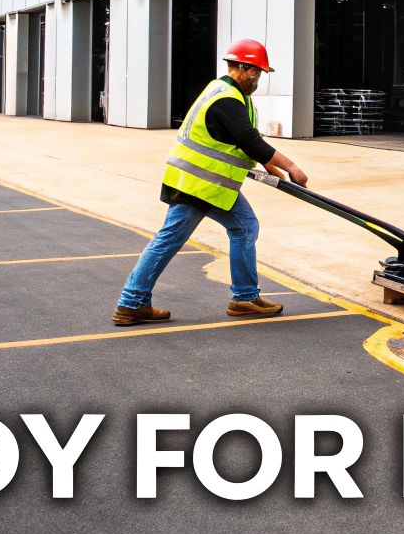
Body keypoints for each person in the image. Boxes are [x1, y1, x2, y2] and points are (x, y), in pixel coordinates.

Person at [112, 39, 308, 325]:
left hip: (211, 185)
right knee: (170, 238)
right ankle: (132, 302)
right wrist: (291, 166)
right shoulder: (226, 97)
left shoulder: (232, 96)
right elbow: (248, 139)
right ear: (244, 68)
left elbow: (246, 140)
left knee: (244, 227)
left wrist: (271, 168)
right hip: (198, 184)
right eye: (257, 72)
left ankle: (245, 297)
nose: (259, 79)